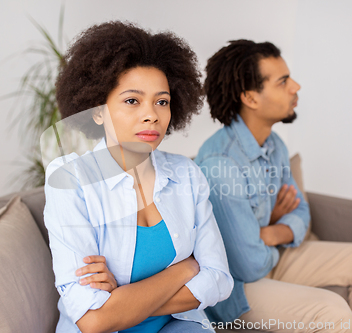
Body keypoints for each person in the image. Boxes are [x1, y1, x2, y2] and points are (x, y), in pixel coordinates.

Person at [43, 21, 233, 333]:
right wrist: (184, 269)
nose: (152, 115)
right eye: (132, 100)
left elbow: (219, 280)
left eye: (162, 101)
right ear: (98, 110)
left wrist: (121, 300)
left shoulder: (186, 174)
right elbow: (93, 319)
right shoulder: (70, 179)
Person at [194, 39, 352, 333]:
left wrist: (268, 233)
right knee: (332, 312)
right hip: (236, 287)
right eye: (283, 81)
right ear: (250, 97)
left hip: (270, 257)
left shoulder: (275, 145)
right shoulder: (220, 165)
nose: (295, 86)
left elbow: (302, 211)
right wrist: (274, 236)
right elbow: (248, 265)